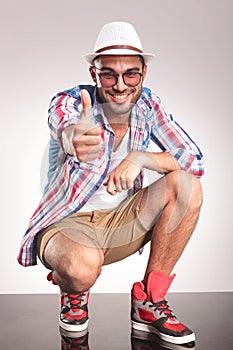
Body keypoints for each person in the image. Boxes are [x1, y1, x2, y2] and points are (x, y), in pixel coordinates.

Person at [18, 21, 204, 346]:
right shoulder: (76, 102)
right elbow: (60, 118)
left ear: (143, 74)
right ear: (94, 74)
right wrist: (71, 136)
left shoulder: (149, 105)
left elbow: (193, 159)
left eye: (130, 73)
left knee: (187, 186)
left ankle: (149, 302)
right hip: (67, 225)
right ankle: (73, 291)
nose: (120, 85)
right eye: (108, 74)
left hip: (121, 222)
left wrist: (142, 158)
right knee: (81, 270)